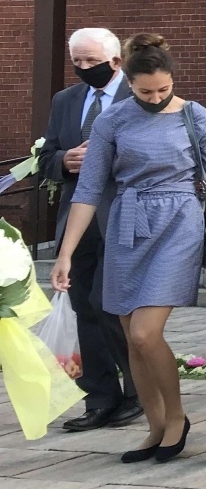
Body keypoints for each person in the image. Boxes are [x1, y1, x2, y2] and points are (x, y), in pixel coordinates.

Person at [52, 33, 206, 463]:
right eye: (145, 91)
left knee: (144, 331)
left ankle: (176, 418)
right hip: (126, 224)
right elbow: (89, 188)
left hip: (179, 224)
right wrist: (65, 254)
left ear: (173, 79)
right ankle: (154, 428)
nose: (155, 98)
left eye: (163, 89)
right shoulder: (112, 121)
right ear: (129, 82)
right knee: (130, 337)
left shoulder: (195, 116)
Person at [38, 26, 138, 432]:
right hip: (76, 221)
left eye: (90, 62)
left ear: (115, 61)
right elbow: (46, 156)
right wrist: (65, 160)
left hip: (121, 216)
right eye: (76, 61)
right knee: (84, 307)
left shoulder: (140, 96)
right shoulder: (66, 100)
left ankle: (138, 392)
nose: (82, 68)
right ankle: (99, 397)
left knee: (113, 306)